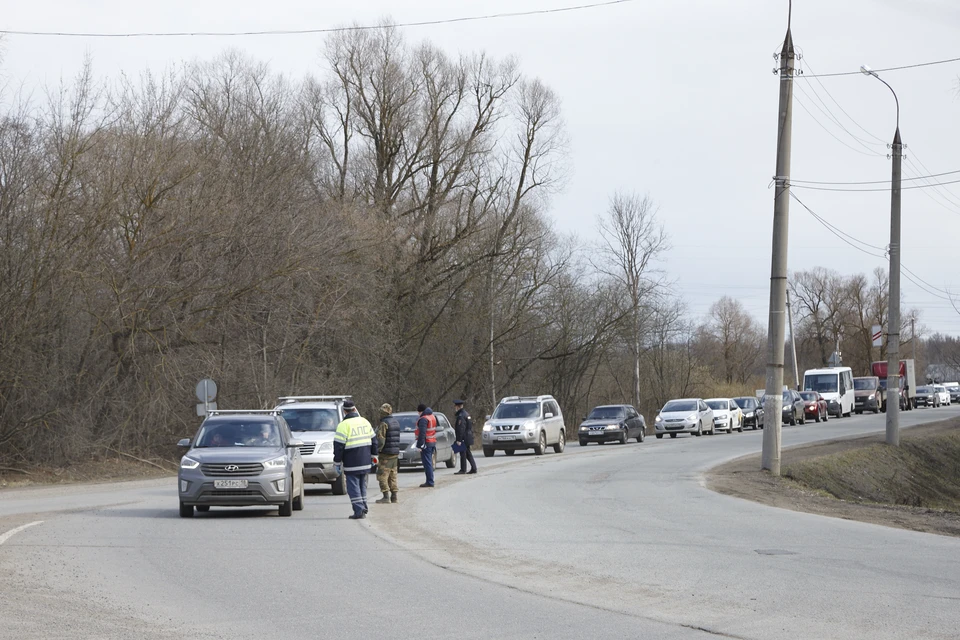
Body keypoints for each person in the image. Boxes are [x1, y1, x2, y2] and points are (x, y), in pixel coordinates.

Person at [333, 400, 379, 519]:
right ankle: (364, 506)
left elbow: (338, 446)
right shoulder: (365, 421)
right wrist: (374, 456)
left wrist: (337, 462)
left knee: (353, 487)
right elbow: (374, 440)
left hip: (351, 462)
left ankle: (359, 510)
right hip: (365, 461)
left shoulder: (343, 425)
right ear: (355, 409)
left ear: (344, 411)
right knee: (362, 485)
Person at [375, 403, 400, 504]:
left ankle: (385, 496)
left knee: (382, 475)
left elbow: (381, 440)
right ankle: (394, 496)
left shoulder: (384, 423)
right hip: (394, 453)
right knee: (393, 475)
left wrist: (377, 450)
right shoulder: (396, 422)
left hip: (385, 454)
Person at [415, 403, 437, 488]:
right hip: (432, 441)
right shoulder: (432, 416)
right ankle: (430, 480)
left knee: (427, 463)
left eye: (418, 412)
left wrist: (420, 445)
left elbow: (422, 433)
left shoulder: (423, 419)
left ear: (420, 411)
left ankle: (430, 481)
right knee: (429, 462)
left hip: (426, 443)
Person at [452, 399, 477, 475]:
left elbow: (461, 428)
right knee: (468, 453)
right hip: (468, 436)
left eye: (455, 406)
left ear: (458, 406)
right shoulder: (466, 413)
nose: (455, 408)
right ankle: (474, 468)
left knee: (463, 453)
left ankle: (463, 469)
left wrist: (459, 440)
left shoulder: (461, 416)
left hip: (464, 437)